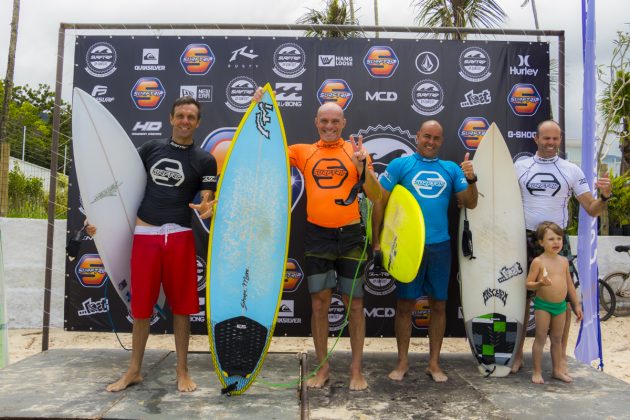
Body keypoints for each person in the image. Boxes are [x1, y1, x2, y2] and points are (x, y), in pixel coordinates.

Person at [88, 96, 217, 392]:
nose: (185, 121)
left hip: (180, 237)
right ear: (171, 119)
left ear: (197, 123)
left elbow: (207, 200)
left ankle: (182, 371)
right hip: (145, 237)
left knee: (182, 308)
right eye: (180, 115)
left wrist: (208, 208)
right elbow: (116, 187)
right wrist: (96, 217)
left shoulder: (204, 159)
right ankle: (133, 370)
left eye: (191, 117)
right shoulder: (149, 149)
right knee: (142, 307)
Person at [372, 120, 478, 383]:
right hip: (408, 248)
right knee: (405, 305)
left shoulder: (450, 169)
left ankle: (434, 363)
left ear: (442, 141)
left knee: (439, 305)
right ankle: (402, 362)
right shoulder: (400, 165)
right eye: (426, 136)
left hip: (440, 246)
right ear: (417, 136)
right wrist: (377, 243)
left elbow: (470, 203)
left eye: (436, 138)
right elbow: (379, 202)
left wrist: (471, 178)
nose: (430, 142)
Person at [288, 101, 381, 391]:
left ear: (344, 123)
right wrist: (257, 107)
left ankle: (356, 370)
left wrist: (363, 167)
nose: (329, 126)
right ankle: (323, 368)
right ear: (316, 121)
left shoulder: (356, 152)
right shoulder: (303, 151)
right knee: (319, 304)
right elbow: (264, 145)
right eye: (324, 121)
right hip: (318, 235)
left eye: (335, 122)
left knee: (355, 304)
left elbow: (376, 195)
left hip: (352, 235)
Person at [512, 119, 612, 374]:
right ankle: (516, 356)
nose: (551, 143)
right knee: (520, 299)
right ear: (536, 139)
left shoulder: (571, 170)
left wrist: (604, 197)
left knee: (562, 299)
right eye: (546, 138)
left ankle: (561, 360)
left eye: (555, 138)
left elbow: (591, 209)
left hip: (557, 241)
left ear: (560, 140)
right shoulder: (520, 167)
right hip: (524, 238)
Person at [526, 221, 583, 384]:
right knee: (541, 338)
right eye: (551, 239)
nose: (556, 242)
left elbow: (570, 284)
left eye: (559, 238)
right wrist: (539, 284)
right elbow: (528, 284)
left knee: (557, 339)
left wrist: (577, 304)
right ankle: (537, 371)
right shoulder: (538, 262)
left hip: (560, 306)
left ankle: (557, 370)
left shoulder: (564, 261)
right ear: (541, 242)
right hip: (543, 306)